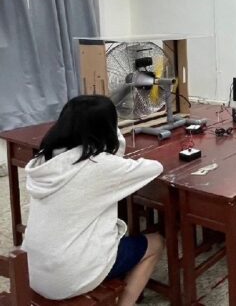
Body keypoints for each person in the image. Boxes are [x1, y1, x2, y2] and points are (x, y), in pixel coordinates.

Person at [22, 95, 164, 305]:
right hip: (70, 277)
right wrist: (113, 137)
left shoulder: (44, 158)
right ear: (107, 128)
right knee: (156, 243)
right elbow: (154, 167)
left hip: (32, 270)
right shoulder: (100, 165)